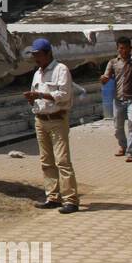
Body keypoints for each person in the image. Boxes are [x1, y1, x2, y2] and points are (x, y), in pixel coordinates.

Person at [23, 37, 80, 213]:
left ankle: (70, 200)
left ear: (48, 54)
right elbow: (38, 97)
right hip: (40, 120)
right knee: (46, 161)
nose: (36, 59)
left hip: (57, 120)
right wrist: (32, 99)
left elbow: (64, 94)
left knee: (62, 161)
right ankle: (52, 197)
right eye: (34, 55)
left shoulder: (60, 70)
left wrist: (40, 95)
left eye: (38, 55)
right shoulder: (37, 73)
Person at [101, 36, 132, 162]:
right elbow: (106, 77)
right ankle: (123, 145)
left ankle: (130, 153)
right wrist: (103, 79)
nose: (123, 51)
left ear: (130, 48)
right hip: (118, 99)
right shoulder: (113, 62)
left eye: (126, 48)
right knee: (118, 127)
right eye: (121, 48)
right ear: (117, 49)